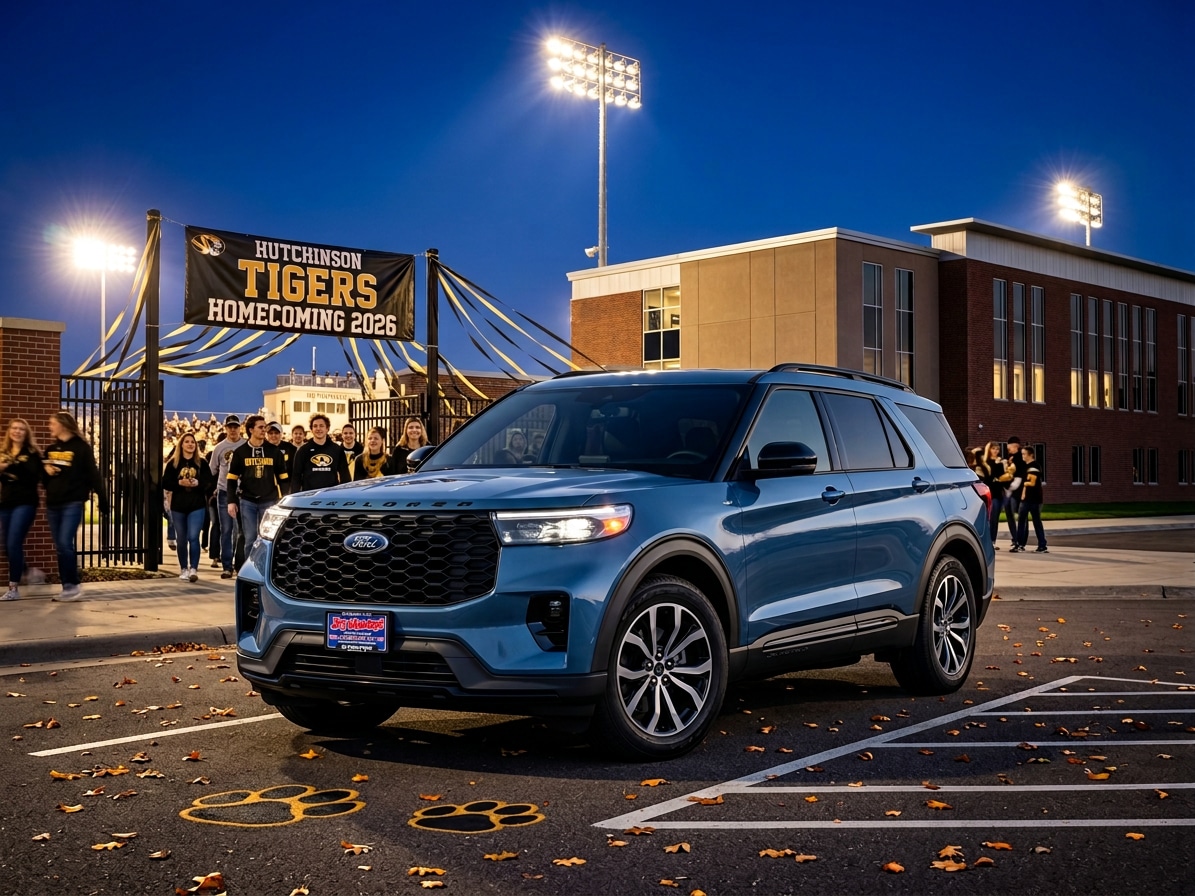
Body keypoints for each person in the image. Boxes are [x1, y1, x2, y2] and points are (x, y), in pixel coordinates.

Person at [43, 411, 108, 601]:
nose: (50, 426)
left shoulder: (81, 448)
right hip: (53, 504)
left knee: (65, 543)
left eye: (53, 423)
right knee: (60, 546)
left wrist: (102, 498)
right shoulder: (51, 448)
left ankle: (72, 586)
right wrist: (46, 471)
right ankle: (68, 586)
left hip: (72, 502)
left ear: (63, 424)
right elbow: (44, 480)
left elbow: (93, 474)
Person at [227, 415, 289, 550]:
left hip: (269, 500)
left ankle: (264, 564)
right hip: (247, 501)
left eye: (264, 427)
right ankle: (249, 564)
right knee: (250, 538)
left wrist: (284, 499)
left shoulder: (274, 451)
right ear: (251, 430)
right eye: (260, 427)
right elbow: (231, 479)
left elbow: (283, 479)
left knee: (267, 539)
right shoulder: (240, 452)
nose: (264, 430)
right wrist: (231, 501)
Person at [162, 431, 215, 582]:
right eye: (187, 442)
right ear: (181, 445)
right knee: (181, 539)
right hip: (178, 506)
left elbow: (209, 482)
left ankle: (193, 569)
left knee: (193, 537)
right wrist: (179, 483)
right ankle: (183, 568)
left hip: (197, 505)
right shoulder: (173, 463)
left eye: (192, 442)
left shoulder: (202, 463)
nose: (190, 444)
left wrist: (198, 483)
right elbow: (165, 482)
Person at [0, 418, 42, 600]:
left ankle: (13, 589)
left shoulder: (32, 453)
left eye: (21, 429)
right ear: (9, 431)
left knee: (14, 543)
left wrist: (9, 467)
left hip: (25, 503)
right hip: (6, 503)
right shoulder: (3, 452)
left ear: (26, 433)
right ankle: (28, 572)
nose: (17, 431)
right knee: (6, 547)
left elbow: (32, 475)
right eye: (14, 428)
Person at [209, 415, 246, 579]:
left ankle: (240, 564)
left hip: (243, 492)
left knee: (242, 531)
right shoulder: (219, 448)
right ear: (225, 428)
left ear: (240, 428)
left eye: (235, 427)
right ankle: (226, 566)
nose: (233, 430)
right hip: (224, 491)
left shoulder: (246, 445)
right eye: (230, 427)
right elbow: (212, 470)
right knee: (226, 530)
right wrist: (214, 488)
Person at [292, 414, 350, 492]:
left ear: (327, 428)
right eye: (315, 426)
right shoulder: (303, 451)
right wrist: (294, 496)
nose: (318, 428)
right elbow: (296, 477)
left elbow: (345, 476)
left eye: (321, 426)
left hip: (331, 495)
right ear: (311, 429)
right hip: (309, 495)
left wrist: (345, 494)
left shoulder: (337, 450)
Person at [980, 441, 1014, 550]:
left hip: (999, 493)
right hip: (990, 493)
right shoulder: (986, 462)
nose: (995, 451)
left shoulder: (1000, 461)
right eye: (993, 448)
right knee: (991, 518)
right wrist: (997, 464)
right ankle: (989, 541)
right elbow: (990, 477)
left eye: (997, 449)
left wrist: (1003, 466)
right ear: (989, 449)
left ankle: (993, 541)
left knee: (996, 518)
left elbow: (1002, 478)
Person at [1014, 446, 1048, 553]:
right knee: (1022, 522)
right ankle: (1020, 544)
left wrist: (1023, 489)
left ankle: (1042, 545)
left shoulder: (1034, 466)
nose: (1023, 456)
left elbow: (1032, 483)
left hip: (1033, 499)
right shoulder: (1026, 466)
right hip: (1028, 499)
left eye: (1024, 454)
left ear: (1031, 455)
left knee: (1035, 522)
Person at [1004, 436, 1029, 547]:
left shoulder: (1021, 458)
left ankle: (1021, 540)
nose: (1008, 449)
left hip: (1019, 491)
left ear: (1015, 446)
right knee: (1010, 515)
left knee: (1021, 516)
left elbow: (1022, 475)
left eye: (1009, 447)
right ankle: (1015, 538)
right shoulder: (1009, 457)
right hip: (1009, 491)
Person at [265, 423, 293, 496]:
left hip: (287, 485)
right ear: (266, 435)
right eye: (271, 433)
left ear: (281, 434)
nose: (273, 435)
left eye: (276, 433)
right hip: (268, 488)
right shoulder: (262, 448)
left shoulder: (290, 448)